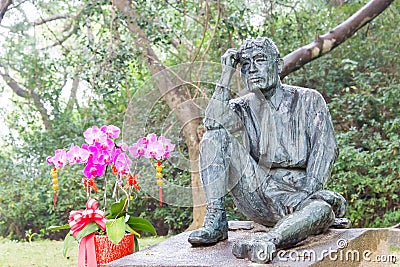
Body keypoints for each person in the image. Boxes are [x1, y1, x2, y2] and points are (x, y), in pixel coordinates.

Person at [187, 37, 347, 263]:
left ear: (278, 65)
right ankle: (215, 220)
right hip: (257, 190)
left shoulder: (308, 100)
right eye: (245, 64)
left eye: (260, 60)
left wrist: (308, 192)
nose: (252, 69)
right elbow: (212, 123)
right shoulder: (241, 107)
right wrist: (225, 75)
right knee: (215, 137)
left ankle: (270, 240)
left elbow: (326, 150)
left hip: (300, 195)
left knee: (320, 210)